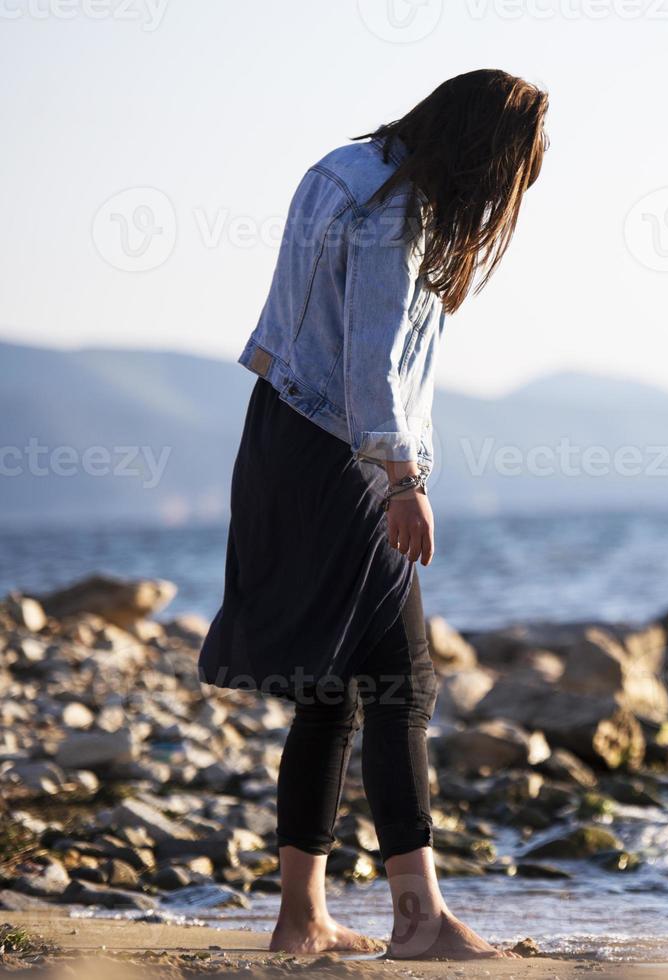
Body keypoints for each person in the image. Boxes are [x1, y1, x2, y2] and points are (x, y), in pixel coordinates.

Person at [198, 69, 548, 960]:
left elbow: (289, 331)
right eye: (514, 171)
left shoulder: (337, 168)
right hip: (347, 451)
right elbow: (371, 359)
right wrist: (403, 478)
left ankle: (300, 921)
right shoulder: (400, 209)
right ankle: (420, 922)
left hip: (281, 433)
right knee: (404, 684)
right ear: (482, 151)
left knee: (333, 692)